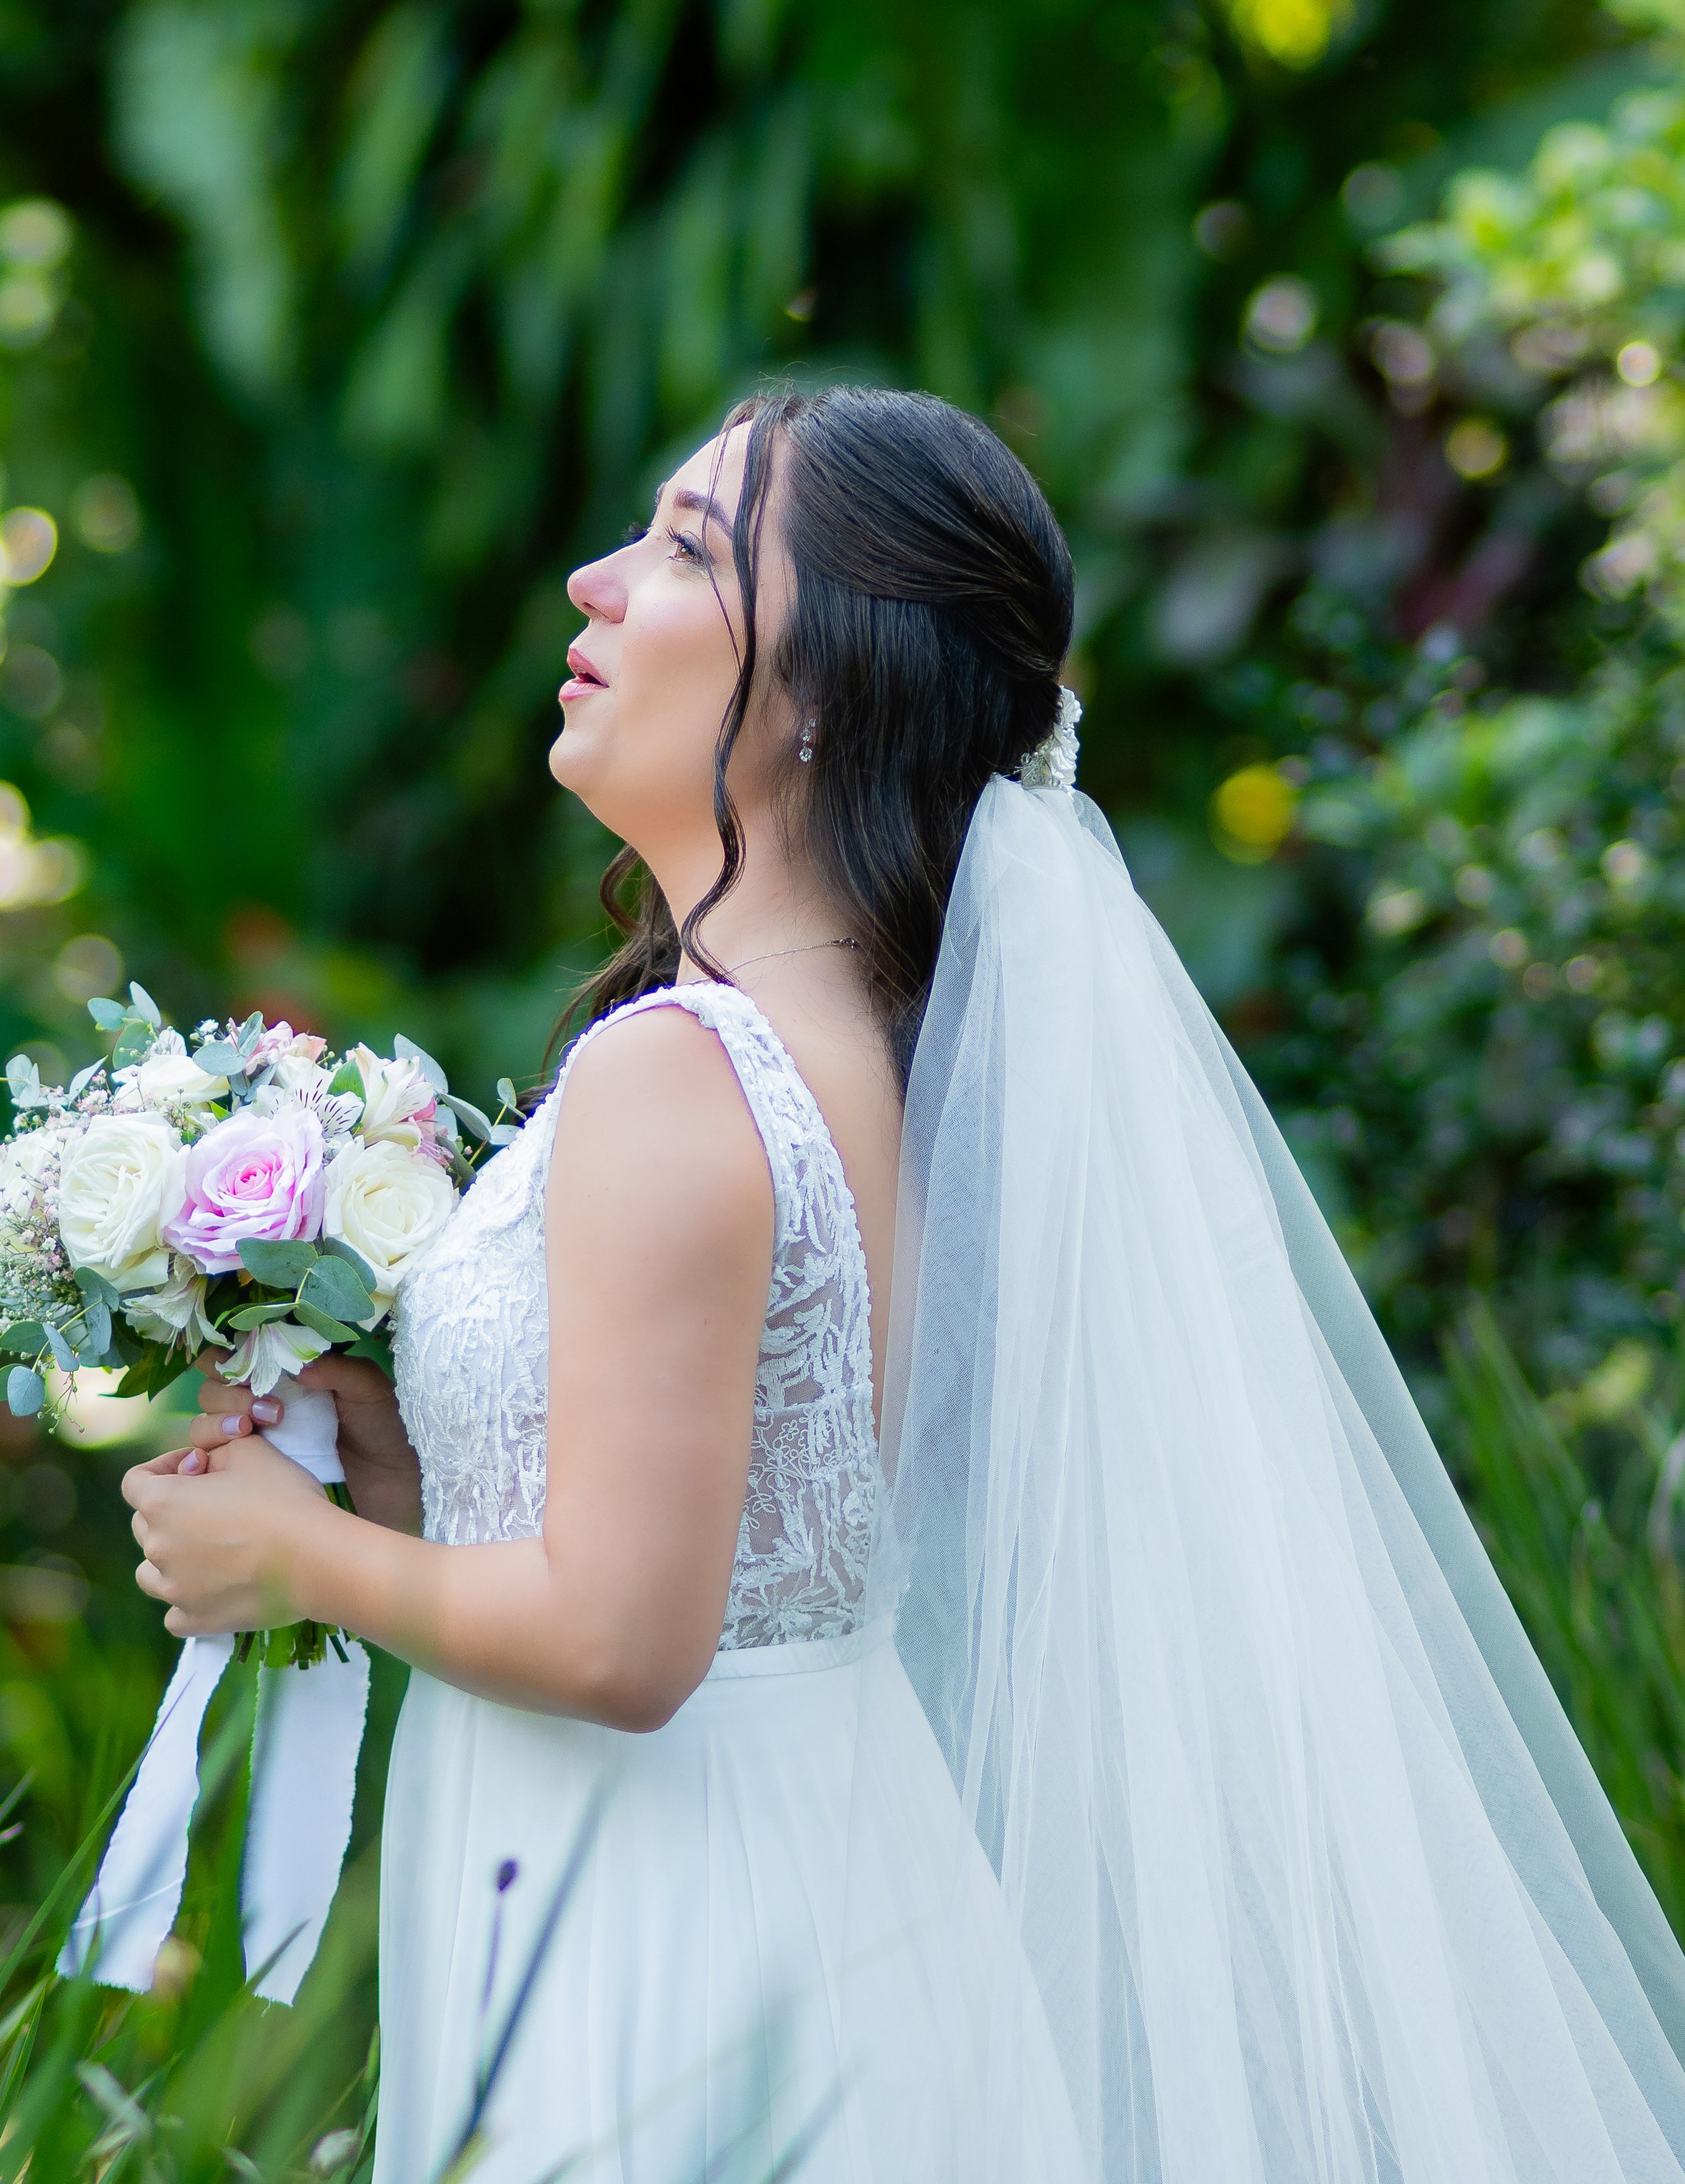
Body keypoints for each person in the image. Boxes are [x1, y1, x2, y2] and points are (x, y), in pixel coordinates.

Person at [123, 386, 1685, 2184]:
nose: (595, 581)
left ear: (828, 693)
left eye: (687, 549)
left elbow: (628, 1646)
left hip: (665, 1912)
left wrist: (293, 1555)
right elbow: (744, 1513)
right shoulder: (867, 1051)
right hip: (821, 1869)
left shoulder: (678, 1073)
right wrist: (400, 1467)